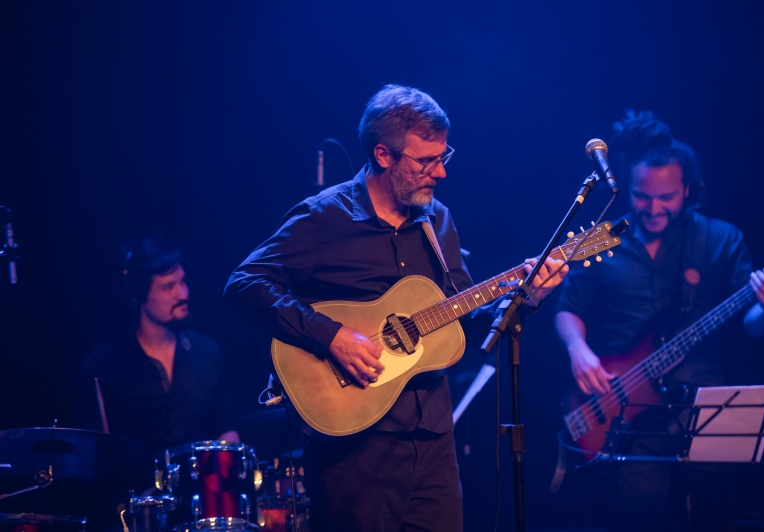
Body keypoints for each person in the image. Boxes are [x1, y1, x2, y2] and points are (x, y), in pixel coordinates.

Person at [224, 84, 568, 532]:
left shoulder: (437, 220)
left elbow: (463, 316)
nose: (440, 172)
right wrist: (331, 336)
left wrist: (529, 295)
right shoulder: (325, 218)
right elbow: (244, 284)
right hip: (354, 447)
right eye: (426, 161)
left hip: (432, 441)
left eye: (444, 157)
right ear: (383, 155)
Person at [554, 110, 764, 531]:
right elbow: (569, 308)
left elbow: (751, 327)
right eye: (643, 196)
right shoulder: (605, 238)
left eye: (667, 197)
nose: (654, 208)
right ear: (629, 189)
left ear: (687, 189)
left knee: (712, 516)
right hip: (628, 411)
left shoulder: (721, 238)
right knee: (635, 517)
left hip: (707, 406)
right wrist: (578, 351)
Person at [76, 235, 240, 456]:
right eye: (168, 287)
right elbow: (92, 456)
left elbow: (224, 428)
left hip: (198, 486)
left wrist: (231, 467)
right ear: (138, 296)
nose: (182, 294)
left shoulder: (208, 352)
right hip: (135, 488)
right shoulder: (102, 367)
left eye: (183, 282)